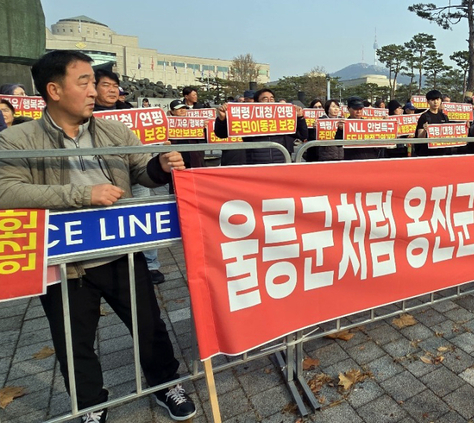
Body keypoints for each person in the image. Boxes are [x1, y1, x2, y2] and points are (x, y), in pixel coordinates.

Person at [0, 50, 196, 423]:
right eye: (84, 82)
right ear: (54, 90)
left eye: (95, 82)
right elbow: (5, 190)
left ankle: (166, 384)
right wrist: (81, 195)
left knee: (149, 325)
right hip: (64, 261)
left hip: (121, 250)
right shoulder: (17, 139)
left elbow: (141, 171)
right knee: (74, 344)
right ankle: (91, 407)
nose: (95, 91)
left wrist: (160, 165)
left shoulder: (114, 130)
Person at [93, 68, 163, 284]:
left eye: (115, 86)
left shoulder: (132, 113)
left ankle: (150, 265)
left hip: (135, 174)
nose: (113, 90)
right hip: (100, 180)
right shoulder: (85, 117)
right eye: (106, 85)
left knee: (144, 219)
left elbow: (142, 148)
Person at [215, 89, 308, 164]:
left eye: (272, 99)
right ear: (256, 102)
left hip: (281, 163)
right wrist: (222, 119)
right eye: (265, 99)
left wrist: (300, 118)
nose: (269, 101)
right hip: (256, 164)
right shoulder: (248, 118)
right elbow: (221, 134)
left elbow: (303, 135)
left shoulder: (283, 118)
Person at [415, 89, 451, 156]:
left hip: (442, 152)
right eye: (432, 100)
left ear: (440, 101)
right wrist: (425, 130)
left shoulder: (444, 117)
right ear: (428, 102)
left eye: (437, 99)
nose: (435, 102)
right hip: (427, 152)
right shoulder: (424, 117)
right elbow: (419, 137)